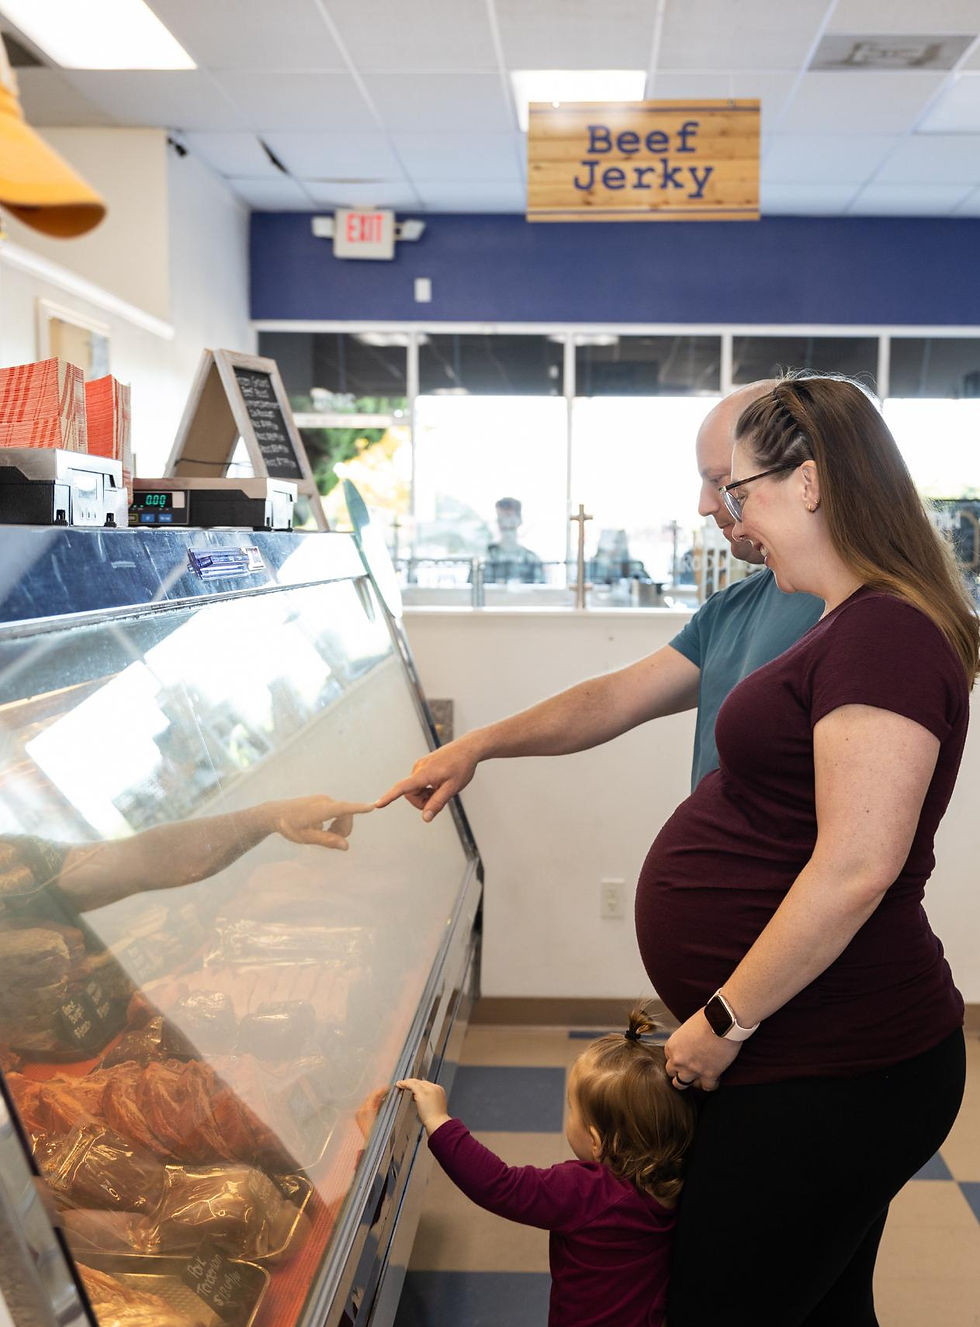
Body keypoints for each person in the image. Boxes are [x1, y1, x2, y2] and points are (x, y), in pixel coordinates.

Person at [637, 375, 978, 1325]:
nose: (732, 518)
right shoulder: (850, 620)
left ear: (813, 483)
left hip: (836, 1058)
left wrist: (724, 1019)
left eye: (739, 493)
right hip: (807, 1047)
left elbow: (856, 865)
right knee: (822, 1308)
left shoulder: (886, 634)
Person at [376, 380, 822, 818]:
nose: (706, 505)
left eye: (724, 483)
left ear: (803, 480)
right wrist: (476, 745)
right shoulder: (736, 606)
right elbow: (613, 699)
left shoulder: (855, 613)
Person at [396, 1003, 697, 1327]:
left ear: (596, 1140)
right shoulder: (677, 1178)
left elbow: (501, 1185)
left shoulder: (587, 1192)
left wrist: (440, 1122)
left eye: (571, 1108)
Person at [483, 496, 545, 584]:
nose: (506, 522)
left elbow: (543, 592)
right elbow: (471, 593)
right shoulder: (486, 559)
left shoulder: (531, 559)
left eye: (509, 516)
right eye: (501, 516)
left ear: (519, 520)